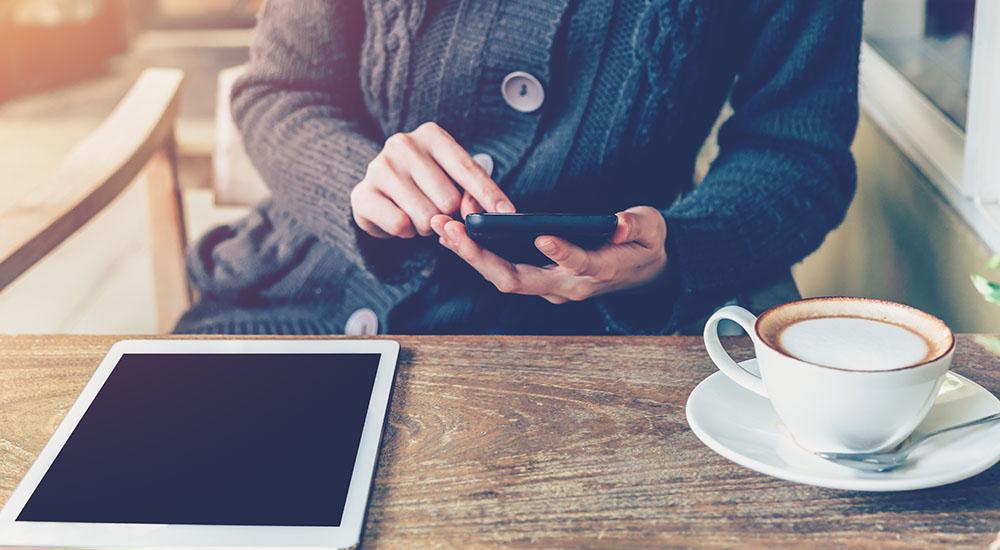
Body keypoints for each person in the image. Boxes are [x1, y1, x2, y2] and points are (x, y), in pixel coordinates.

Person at [175, 0, 862, 336]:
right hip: (305, 302)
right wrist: (356, 180)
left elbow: (798, 150)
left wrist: (680, 249)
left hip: (596, 346)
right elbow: (282, 92)